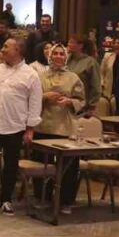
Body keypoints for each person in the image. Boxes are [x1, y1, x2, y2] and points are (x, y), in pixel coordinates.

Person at [0, 38, 42, 217]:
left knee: (11, 166)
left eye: (6, 47)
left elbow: (35, 104)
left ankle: (6, 199)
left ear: (18, 50)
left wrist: (30, 129)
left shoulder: (31, 75)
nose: (3, 49)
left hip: (15, 126)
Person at [36, 44, 86, 213]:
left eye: (61, 54)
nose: (58, 56)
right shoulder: (40, 76)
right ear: (50, 56)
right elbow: (31, 97)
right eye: (55, 53)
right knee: (42, 165)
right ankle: (42, 197)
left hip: (65, 126)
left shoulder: (74, 78)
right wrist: (45, 96)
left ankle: (66, 200)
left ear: (66, 57)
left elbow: (81, 101)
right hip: (43, 125)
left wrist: (70, 101)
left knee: (69, 167)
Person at [66, 34, 101, 115]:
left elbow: (96, 86)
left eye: (71, 42)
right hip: (67, 103)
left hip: (84, 106)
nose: (68, 44)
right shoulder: (67, 60)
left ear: (80, 46)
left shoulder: (90, 62)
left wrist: (92, 106)